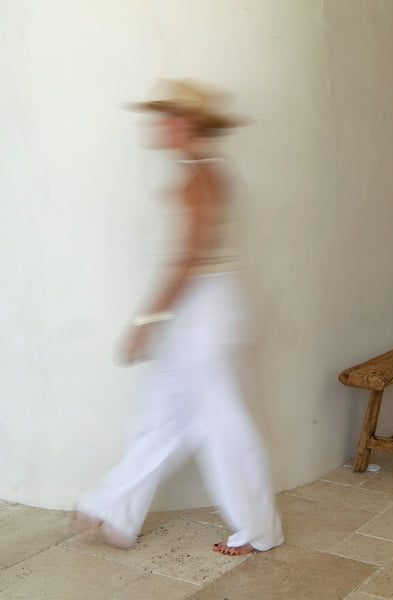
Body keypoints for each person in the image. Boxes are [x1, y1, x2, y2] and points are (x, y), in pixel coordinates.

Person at [71, 80, 283, 556]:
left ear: (186, 123)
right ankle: (116, 512)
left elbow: (189, 256)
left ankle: (259, 528)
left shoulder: (201, 177)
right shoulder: (202, 173)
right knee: (160, 417)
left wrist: (149, 318)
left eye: (166, 116)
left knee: (221, 422)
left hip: (202, 309)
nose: (157, 125)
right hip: (196, 307)